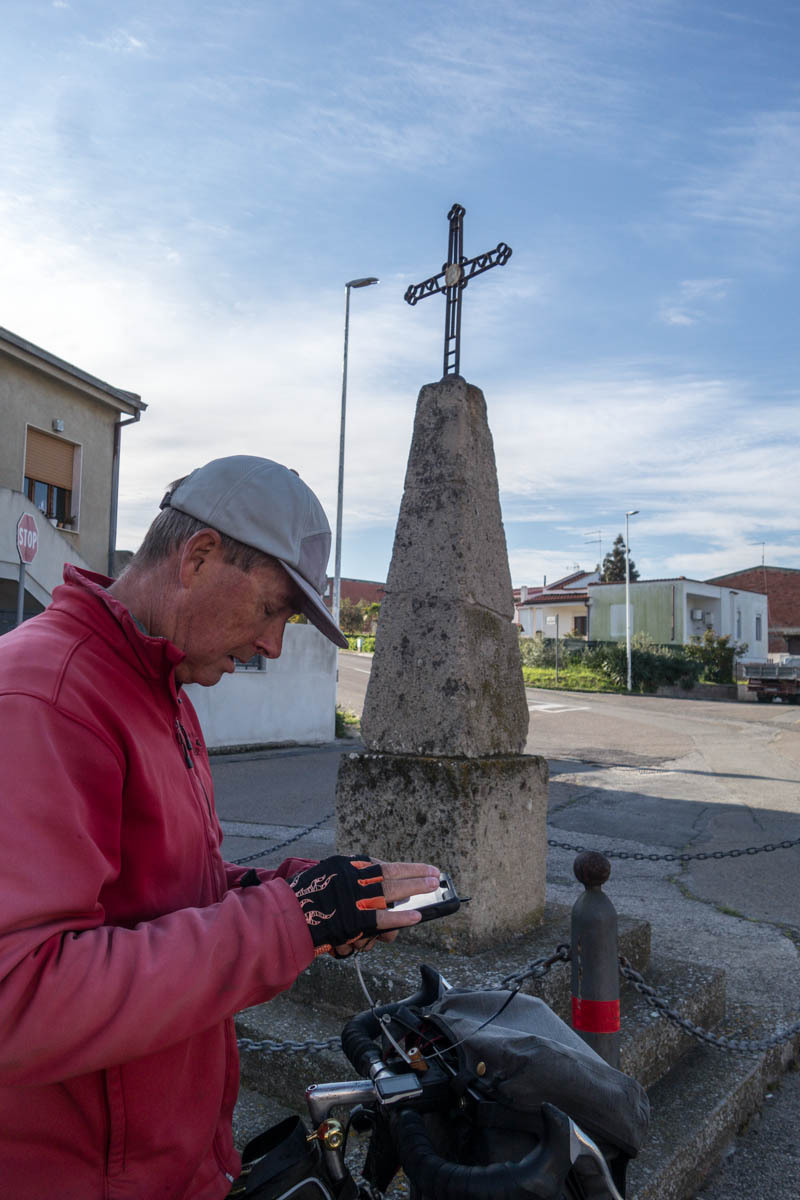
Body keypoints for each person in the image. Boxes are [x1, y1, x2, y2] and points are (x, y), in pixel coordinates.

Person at [0, 455, 439, 1199]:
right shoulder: (47, 696)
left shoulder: (160, 689)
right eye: (272, 609)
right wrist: (287, 921)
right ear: (198, 557)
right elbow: (21, 997)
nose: (273, 644)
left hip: (168, 1165)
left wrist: (298, 895)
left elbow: (156, 896)